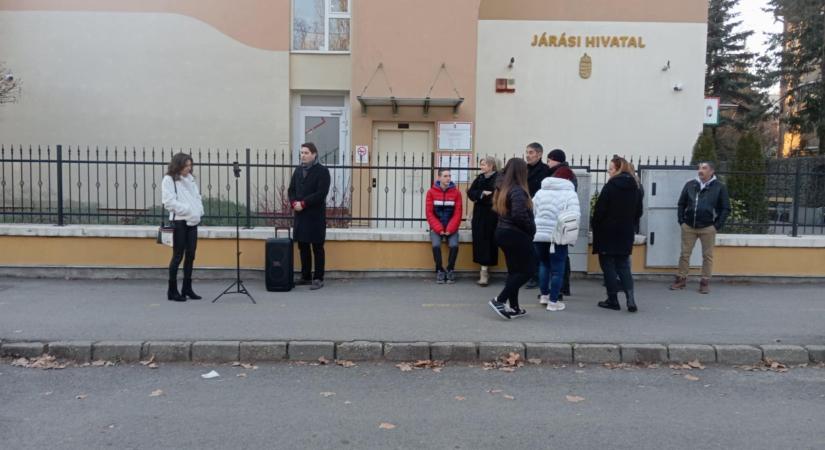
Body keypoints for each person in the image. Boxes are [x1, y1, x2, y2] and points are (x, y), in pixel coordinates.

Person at [591, 156, 643, 312]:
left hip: (607, 231)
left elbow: (600, 210)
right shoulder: (636, 187)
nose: (608, 172)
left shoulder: (610, 186)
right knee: (623, 266)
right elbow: (638, 212)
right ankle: (631, 299)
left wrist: (596, 225)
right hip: (626, 231)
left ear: (618, 169)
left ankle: (612, 299)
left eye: (610, 169)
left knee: (608, 266)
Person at [671, 161, 731, 294]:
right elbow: (681, 204)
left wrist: (716, 225)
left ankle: (704, 281)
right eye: (699, 168)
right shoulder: (690, 184)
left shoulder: (719, 187)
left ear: (711, 171)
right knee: (685, 254)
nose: (700, 171)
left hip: (708, 227)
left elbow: (725, 208)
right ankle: (681, 279)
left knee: (707, 256)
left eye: (704, 168)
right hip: (689, 226)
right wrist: (681, 221)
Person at [488, 158, 536, 320]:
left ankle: (514, 307)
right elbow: (518, 215)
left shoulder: (503, 187)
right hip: (515, 234)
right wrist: (530, 229)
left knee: (515, 271)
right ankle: (500, 300)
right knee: (530, 269)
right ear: (521, 172)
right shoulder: (517, 190)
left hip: (503, 232)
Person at [162, 152, 205, 302]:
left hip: (192, 221)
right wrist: (187, 209)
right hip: (179, 222)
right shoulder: (169, 180)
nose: (189, 168)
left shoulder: (190, 179)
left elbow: (197, 197)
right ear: (178, 165)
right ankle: (172, 290)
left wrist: (198, 210)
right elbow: (168, 202)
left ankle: (187, 288)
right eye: (186, 165)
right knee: (178, 256)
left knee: (191, 255)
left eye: (190, 165)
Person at [533, 176, 580, 311]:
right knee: (557, 270)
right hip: (559, 236)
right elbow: (575, 215)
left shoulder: (540, 192)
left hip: (539, 235)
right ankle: (553, 302)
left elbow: (532, 211)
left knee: (543, 264)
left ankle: (544, 296)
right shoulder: (570, 194)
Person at [288, 142, 331, 290]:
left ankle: (318, 278)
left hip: (315, 216)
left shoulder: (323, 171)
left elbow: (321, 193)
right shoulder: (298, 170)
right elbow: (291, 189)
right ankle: (305, 276)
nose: (303, 155)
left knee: (317, 247)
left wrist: (304, 203)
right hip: (300, 215)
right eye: (301, 153)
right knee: (303, 246)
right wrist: (294, 203)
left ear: (314, 154)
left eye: (306, 153)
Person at [546, 148, 578, 297]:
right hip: (565, 219)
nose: (548, 163)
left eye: (549, 160)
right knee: (562, 254)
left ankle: (558, 289)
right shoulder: (566, 173)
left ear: (556, 160)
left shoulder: (561, 174)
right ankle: (564, 287)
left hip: (559, 220)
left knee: (558, 256)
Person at [425, 169, 463, 284]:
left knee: (454, 245)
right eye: (445, 176)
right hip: (437, 228)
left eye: (449, 176)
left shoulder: (457, 193)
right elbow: (429, 213)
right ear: (439, 178)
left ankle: (450, 269)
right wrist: (439, 229)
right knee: (436, 245)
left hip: (451, 227)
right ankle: (440, 270)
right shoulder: (431, 192)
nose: (448, 178)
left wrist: (449, 229)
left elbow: (458, 213)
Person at [467, 156, 499, 286]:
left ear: (491, 166)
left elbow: (496, 195)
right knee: (480, 241)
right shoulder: (479, 178)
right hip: (479, 215)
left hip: (492, 215)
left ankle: (486, 271)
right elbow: (470, 193)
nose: (482, 167)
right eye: (481, 164)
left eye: (484, 164)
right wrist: (481, 194)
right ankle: (483, 270)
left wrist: (484, 196)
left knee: (491, 242)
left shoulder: (498, 178)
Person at [524, 142, 551, 290]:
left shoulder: (546, 171)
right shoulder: (523, 169)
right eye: (527, 152)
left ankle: (536, 276)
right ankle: (527, 274)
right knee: (526, 245)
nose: (528, 155)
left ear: (539, 154)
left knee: (537, 246)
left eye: (531, 152)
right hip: (524, 210)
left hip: (539, 212)